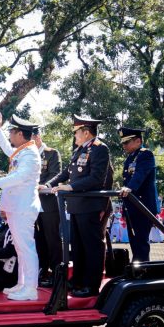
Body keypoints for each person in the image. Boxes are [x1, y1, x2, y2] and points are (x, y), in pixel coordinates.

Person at [46, 115, 112, 298]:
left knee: (91, 247)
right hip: (76, 206)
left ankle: (91, 285)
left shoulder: (100, 149)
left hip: (89, 205)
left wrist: (71, 187)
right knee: (77, 247)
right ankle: (77, 280)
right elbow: (66, 173)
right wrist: (49, 185)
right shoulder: (79, 150)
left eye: (76, 132)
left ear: (86, 132)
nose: (74, 135)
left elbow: (97, 178)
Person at [0, 113, 41, 301]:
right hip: (17, 208)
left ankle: (31, 288)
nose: (10, 135)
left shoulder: (31, 154)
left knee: (26, 248)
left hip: (23, 208)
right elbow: (7, 149)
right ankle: (22, 284)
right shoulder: (22, 151)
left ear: (20, 134)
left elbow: (20, 177)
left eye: (11, 131)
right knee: (21, 249)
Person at [118, 127, 158, 262]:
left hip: (142, 206)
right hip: (132, 206)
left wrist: (129, 188)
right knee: (134, 241)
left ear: (138, 141)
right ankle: (137, 268)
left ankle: (142, 271)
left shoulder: (145, 155)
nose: (124, 146)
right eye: (123, 143)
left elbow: (140, 175)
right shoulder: (130, 158)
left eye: (126, 142)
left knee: (141, 242)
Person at [32, 130, 62, 285]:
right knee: (39, 239)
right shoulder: (28, 155)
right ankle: (42, 270)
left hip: (48, 202)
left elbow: (56, 174)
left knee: (52, 239)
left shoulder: (52, 153)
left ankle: (57, 272)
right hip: (32, 203)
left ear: (37, 137)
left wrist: (42, 185)